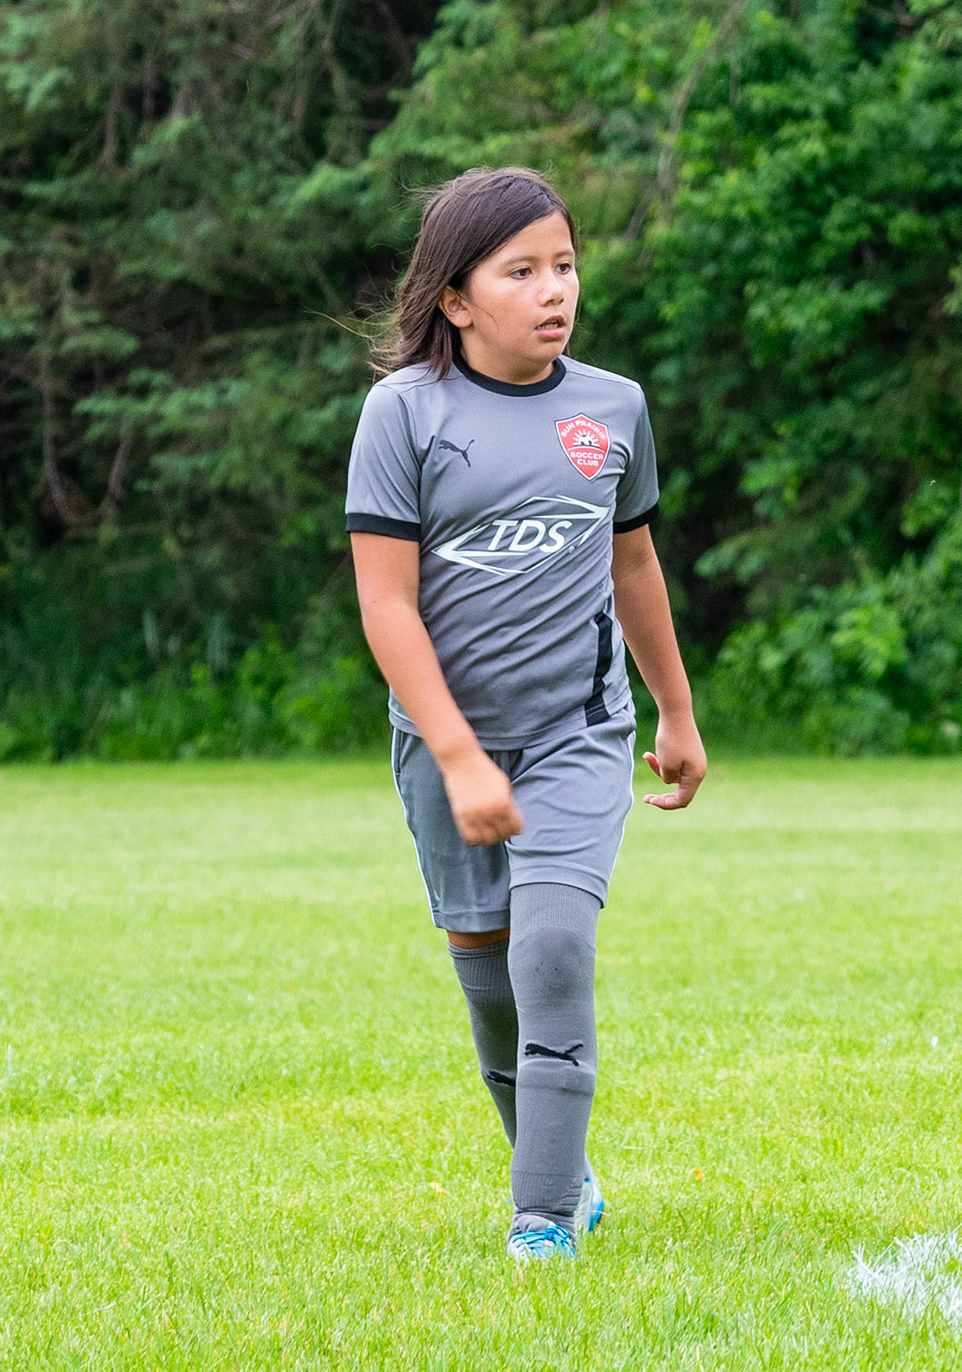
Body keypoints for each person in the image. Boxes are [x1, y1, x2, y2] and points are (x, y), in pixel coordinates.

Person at [345, 167, 706, 1261]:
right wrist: (456, 756)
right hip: (443, 749)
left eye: (565, 265)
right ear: (455, 298)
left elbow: (634, 563)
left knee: (551, 951)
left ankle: (541, 1219)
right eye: (522, 271)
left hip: (576, 734)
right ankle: (564, 1172)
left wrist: (676, 710)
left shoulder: (614, 408)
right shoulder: (403, 413)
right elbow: (385, 603)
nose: (555, 291)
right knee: (490, 978)